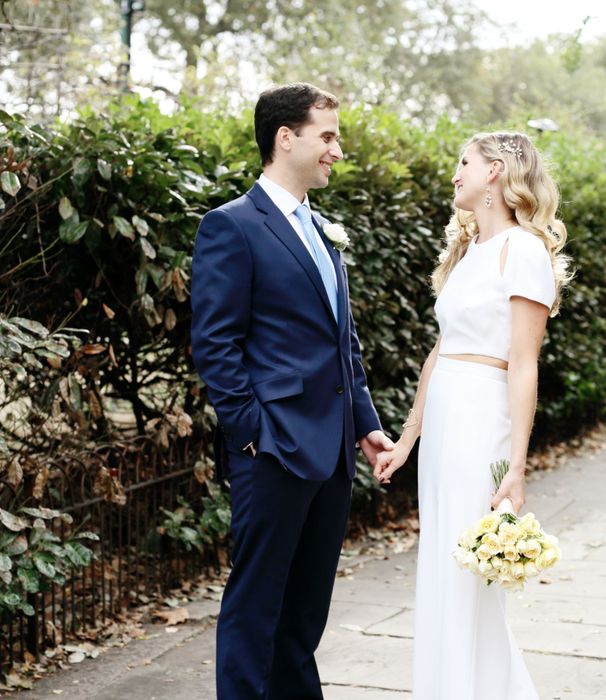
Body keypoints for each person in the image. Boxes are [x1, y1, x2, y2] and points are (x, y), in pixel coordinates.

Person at [190, 82, 393, 700]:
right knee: (256, 609)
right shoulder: (231, 227)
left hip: (331, 452)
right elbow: (215, 344)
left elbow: (342, 344)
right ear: (287, 137)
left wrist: (364, 425)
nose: (337, 150)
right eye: (327, 136)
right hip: (273, 451)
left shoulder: (321, 230)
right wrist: (253, 435)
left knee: (304, 614)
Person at [374, 131, 571, 699]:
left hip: (482, 416)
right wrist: (408, 438)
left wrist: (516, 465)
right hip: (444, 419)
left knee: (467, 571)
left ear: (496, 172)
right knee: (442, 563)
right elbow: (440, 351)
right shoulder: (466, 252)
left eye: (465, 163)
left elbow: (524, 364)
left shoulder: (523, 250)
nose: (455, 174)